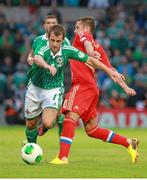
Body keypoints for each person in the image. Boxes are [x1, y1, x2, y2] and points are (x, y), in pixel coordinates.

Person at [50, 17, 139, 165]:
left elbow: (87, 43)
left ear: (85, 29)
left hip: (82, 85)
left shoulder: (82, 37)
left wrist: (90, 52)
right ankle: (129, 143)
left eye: (77, 27)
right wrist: (125, 87)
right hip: (92, 88)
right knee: (92, 130)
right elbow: (112, 71)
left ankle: (62, 157)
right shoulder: (100, 48)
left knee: (70, 117)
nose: (75, 30)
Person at [24, 24, 126, 145]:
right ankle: (32, 146)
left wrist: (110, 71)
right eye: (52, 40)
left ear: (63, 41)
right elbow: (37, 58)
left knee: (48, 123)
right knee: (30, 124)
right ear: (49, 39)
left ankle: (49, 124)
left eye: (58, 41)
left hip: (53, 88)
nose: (55, 44)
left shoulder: (67, 50)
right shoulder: (43, 47)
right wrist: (47, 66)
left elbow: (90, 60)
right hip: (35, 87)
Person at [27, 15, 70, 136]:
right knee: (32, 122)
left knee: (60, 117)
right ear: (44, 25)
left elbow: (69, 56)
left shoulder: (65, 41)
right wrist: (31, 59)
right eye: (48, 23)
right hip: (38, 82)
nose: (51, 25)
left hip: (55, 84)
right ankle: (45, 126)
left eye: (53, 23)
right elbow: (30, 56)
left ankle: (63, 148)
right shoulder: (38, 40)